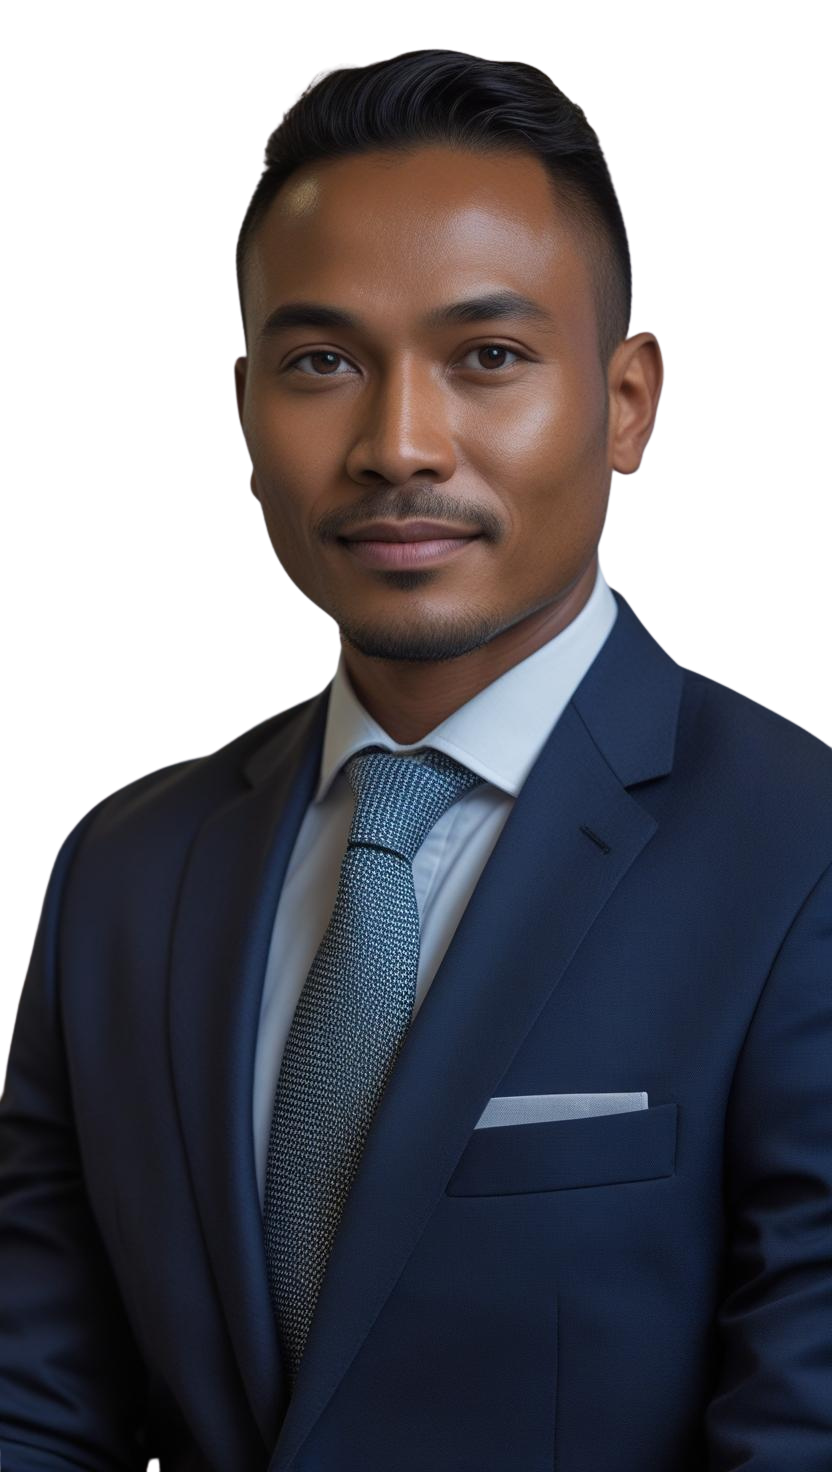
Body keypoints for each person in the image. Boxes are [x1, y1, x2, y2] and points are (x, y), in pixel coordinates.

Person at [2, 47, 830, 1472]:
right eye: (322, 362)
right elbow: (37, 1400)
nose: (397, 445)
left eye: (487, 357)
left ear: (629, 402)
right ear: (245, 409)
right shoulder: (121, 871)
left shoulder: (802, 849)